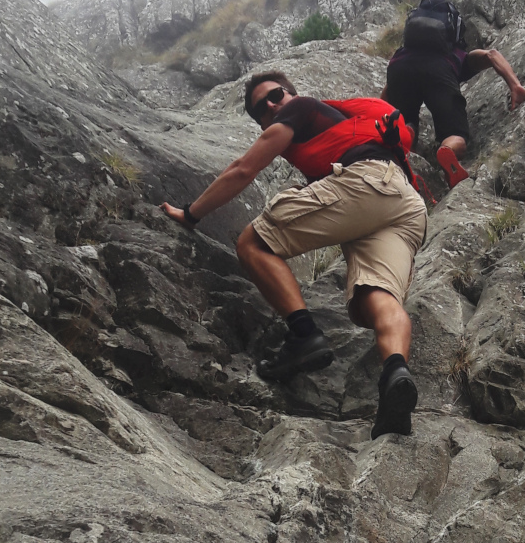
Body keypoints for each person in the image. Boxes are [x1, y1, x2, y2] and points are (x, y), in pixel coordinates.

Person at [160, 70, 428, 438]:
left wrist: (190, 214)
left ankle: (304, 336)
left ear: (291, 94)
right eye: (261, 108)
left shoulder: (300, 108)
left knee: (252, 244)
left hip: (368, 184)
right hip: (406, 205)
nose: (272, 106)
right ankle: (396, 375)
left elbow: (243, 169)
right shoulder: (336, 127)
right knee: (374, 297)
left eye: (276, 95)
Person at [384, 0, 525, 187]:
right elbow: (492, 55)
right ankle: (448, 149)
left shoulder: (402, 53)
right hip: (440, 72)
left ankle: (406, 139)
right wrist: (515, 85)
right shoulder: (457, 55)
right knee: (456, 136)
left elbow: (389, 89)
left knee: (405, 122)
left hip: (398, 70)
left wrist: (379, 115)